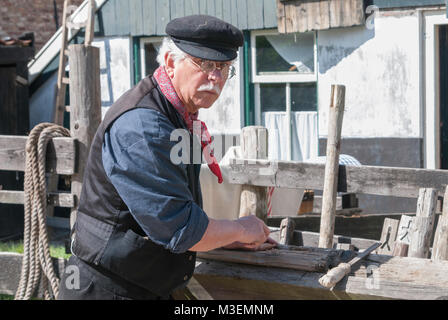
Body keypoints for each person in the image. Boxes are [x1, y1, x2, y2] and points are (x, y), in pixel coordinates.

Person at [58, 15, 276, 300]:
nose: (217, 78)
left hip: (138, 283)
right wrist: (239, 229)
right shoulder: (144, 127)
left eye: (224, 68)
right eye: (206, 64)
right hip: (107, 288)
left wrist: (226, 237)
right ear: (171, 63)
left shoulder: (177, 113)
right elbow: (180, 227)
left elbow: (177, 212)